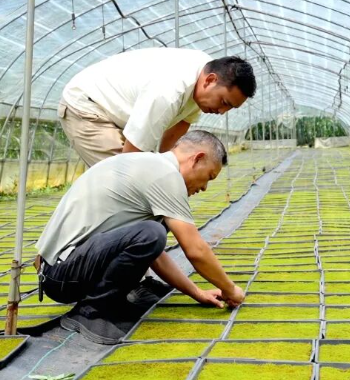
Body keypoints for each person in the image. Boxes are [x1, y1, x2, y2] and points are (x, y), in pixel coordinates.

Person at [34, 130, 245, 344]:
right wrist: (230, 289)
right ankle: (93, 311)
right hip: (61, 275)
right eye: (209, 177)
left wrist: (197, 293)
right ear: (197, 159)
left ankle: (112, 301)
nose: (204, 188)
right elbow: (195, 250)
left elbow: (155, 254)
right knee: (153, 232)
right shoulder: (165, 175)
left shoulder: (150, 165)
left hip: (61, 270)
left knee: (155, 230)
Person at [59, 47, 257, 167]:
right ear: (210, 80)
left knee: (141, 182)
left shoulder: (204, 75)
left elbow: (179, 127)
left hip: (114, 114)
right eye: (224, 102)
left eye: (230, 108)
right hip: (88, 106)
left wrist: (169, 169)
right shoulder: (168, 91)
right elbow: (131, 157)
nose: (222, 112)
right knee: (126, 181)